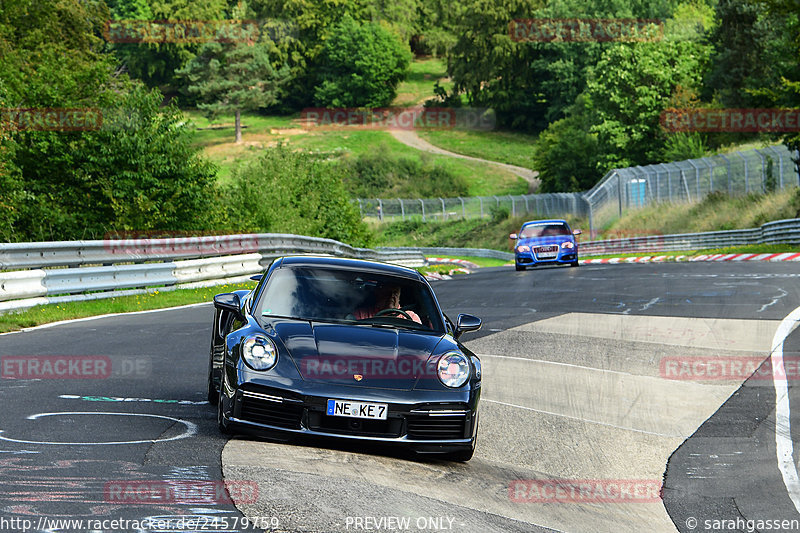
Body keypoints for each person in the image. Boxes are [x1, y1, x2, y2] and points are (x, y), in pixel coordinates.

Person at [354, 285, 421, 324]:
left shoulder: (411, 317)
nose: (391, 296)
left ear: (399, 298)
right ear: (378, 295)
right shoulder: (361, 314)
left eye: (395, 293)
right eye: (386, 292)